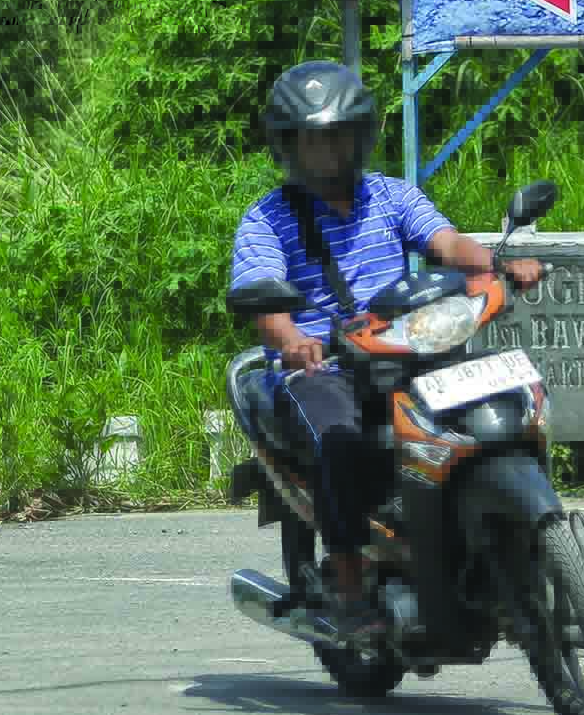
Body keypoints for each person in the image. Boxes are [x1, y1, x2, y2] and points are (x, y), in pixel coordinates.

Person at [227, 59, 544, 637]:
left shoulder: (393, 196)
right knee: (338, 438)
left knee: (493, 401)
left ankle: (498, 528)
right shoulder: (266, 220)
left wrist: (498, 264)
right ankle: (348, 574)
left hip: (407, 347)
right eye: (313, 141)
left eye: (338, 138)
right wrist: (295, 342)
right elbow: (267, 310)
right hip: (324, 366)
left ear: (360, 136)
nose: (327, 152)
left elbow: (447, 243)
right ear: (289, 146)